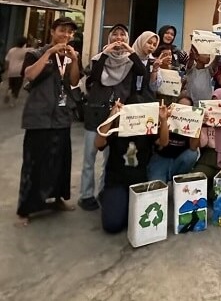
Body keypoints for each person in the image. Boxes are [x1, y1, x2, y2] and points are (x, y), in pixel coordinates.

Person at [16, 17, 80, 227]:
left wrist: (75, 60)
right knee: (34, 165)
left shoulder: (70, 56)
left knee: (60, 163)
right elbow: (30, 75)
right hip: (39, 118)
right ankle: (25, 209)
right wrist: (49, 53)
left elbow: (73, 81)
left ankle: (58, 199)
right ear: (53, 32)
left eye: (69, 33)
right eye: (62, 30)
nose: (66, 35)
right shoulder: (34, 53)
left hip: (61, 118)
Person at [79, 24, 145, 211]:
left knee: (110, 159)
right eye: (114, 34)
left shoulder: (131, 62)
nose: (118, 38)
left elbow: (142, 72)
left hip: (117, 116)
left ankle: (103, 190)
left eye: (122, 35)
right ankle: (85, 195)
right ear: (108, 39)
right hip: (95, 113)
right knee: (89, 158)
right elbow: (96, 76)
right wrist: (106, 53)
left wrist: (131, 51)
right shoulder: (98, 59)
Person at [95, 100, 169, 233]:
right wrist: (112, 117)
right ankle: (108, 198)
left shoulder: (147, 130)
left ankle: (119, 204)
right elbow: (99, 143)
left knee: (141, 222)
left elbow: (163, 142)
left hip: (139, 182)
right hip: (116, 181)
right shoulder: (116, 129)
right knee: (112, 225)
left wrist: (163, 121)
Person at [192, 88, 221, 198]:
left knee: (218, 194)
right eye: (213, 102)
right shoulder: (208, 118)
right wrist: (202, 125)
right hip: (209, 156)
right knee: (196, 181)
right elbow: (202, 144)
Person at [146, 94, 200, 182]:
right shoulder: (163, 118)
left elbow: (193, 147)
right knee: (157, 189)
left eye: (186, 109)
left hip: (179, 160)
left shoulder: (191, 124)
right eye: (180, 107)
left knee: (192, 154)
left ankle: (178, 180)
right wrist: (164, 121)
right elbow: (163, 143)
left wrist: (199, 124)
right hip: (161, 159)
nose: (182, 111)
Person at [130, 31, 161, 103]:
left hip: (146, 101)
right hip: (127, 99)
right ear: (142, 41)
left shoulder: (152, 61)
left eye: (154, 45)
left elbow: (153, 87)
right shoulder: (128, 57)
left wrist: (154, 70)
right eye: (149, 43)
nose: (151, 46)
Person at [3, 36, 29, 107]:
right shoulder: (25, 51)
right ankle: (13, 102)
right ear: (24, 44)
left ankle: (9, 91)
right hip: (20, 72)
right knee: (17, 87)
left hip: (11, 71)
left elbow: (7, 61)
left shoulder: (11, 50)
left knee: (11, 85)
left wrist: (6, 69)